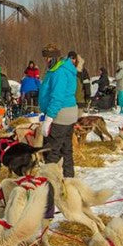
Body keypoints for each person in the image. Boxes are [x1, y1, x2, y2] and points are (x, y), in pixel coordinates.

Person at [38, 44, 78, 177]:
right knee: (66, 150)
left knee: (52, 152)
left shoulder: (59, 72)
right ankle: (69, 179)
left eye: (48, 58)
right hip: (69, 114)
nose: (46, 61)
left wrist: (49, 118)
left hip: (60, 115)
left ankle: (50, 183)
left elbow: (57, 97)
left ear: (54, 58)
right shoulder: (64, 69)